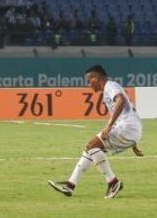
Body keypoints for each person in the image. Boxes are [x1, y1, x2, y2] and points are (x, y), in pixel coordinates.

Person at [48, 65, 144, 199]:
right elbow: (127, 110)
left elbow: (121, 100)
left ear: (96, 78)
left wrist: (109, 126)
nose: (89, 84)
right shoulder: (110, 88)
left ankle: (113, 182)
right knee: (89, 149)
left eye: (89, 80)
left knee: (92, 146)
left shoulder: (110, 86)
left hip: (127, 128)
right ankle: (70, 185)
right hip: (131, 129)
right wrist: (134, 143)